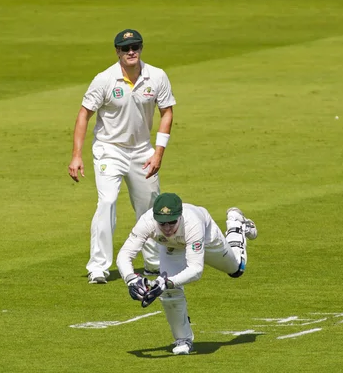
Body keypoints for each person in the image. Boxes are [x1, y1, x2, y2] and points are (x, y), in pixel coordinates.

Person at [68, 29, 176, 284]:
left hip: (142, 150)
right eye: (125, 48)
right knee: (107, 202)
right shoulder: (104, 79)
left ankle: (152, 263)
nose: (131, 52)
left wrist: (158, 153)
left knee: (149, 207)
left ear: (141, 48)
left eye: (135, 47)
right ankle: (98, 267)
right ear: (117, 51)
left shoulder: (157, 76)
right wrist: (76, 155)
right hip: (109, 149)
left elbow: (167, 112)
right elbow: (84, 114)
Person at [116, 193, 258, 355]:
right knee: (169, 293)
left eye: (172, 222)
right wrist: (131, 280)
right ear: (155, 219)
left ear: (180, 217)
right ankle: (183, 340)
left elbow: (196, 269)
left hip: (207, 239)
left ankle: (236, 225)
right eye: (162, 224)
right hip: (171, 247)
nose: (168, 228)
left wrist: (166, 282)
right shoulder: (146, 222)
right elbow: (124, 254)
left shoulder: (192, 223)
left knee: (236, 269)